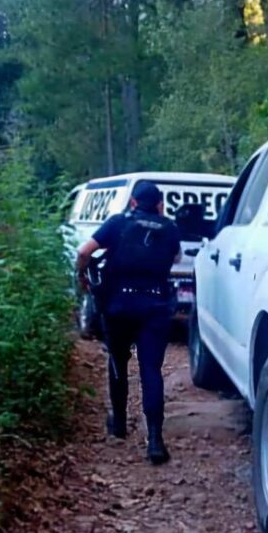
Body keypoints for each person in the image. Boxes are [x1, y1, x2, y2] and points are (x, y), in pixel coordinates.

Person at [76, 181, 182, 465]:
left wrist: (82, 277)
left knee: (118, 361)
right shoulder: (170, 228)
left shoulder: (117, 222)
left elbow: (85, 252)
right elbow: (174, 258)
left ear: (133, 202)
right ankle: (156, 441)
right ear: (159, 204)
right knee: (151, 370)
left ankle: (119, 423)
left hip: (119, 306)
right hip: (156, 306)